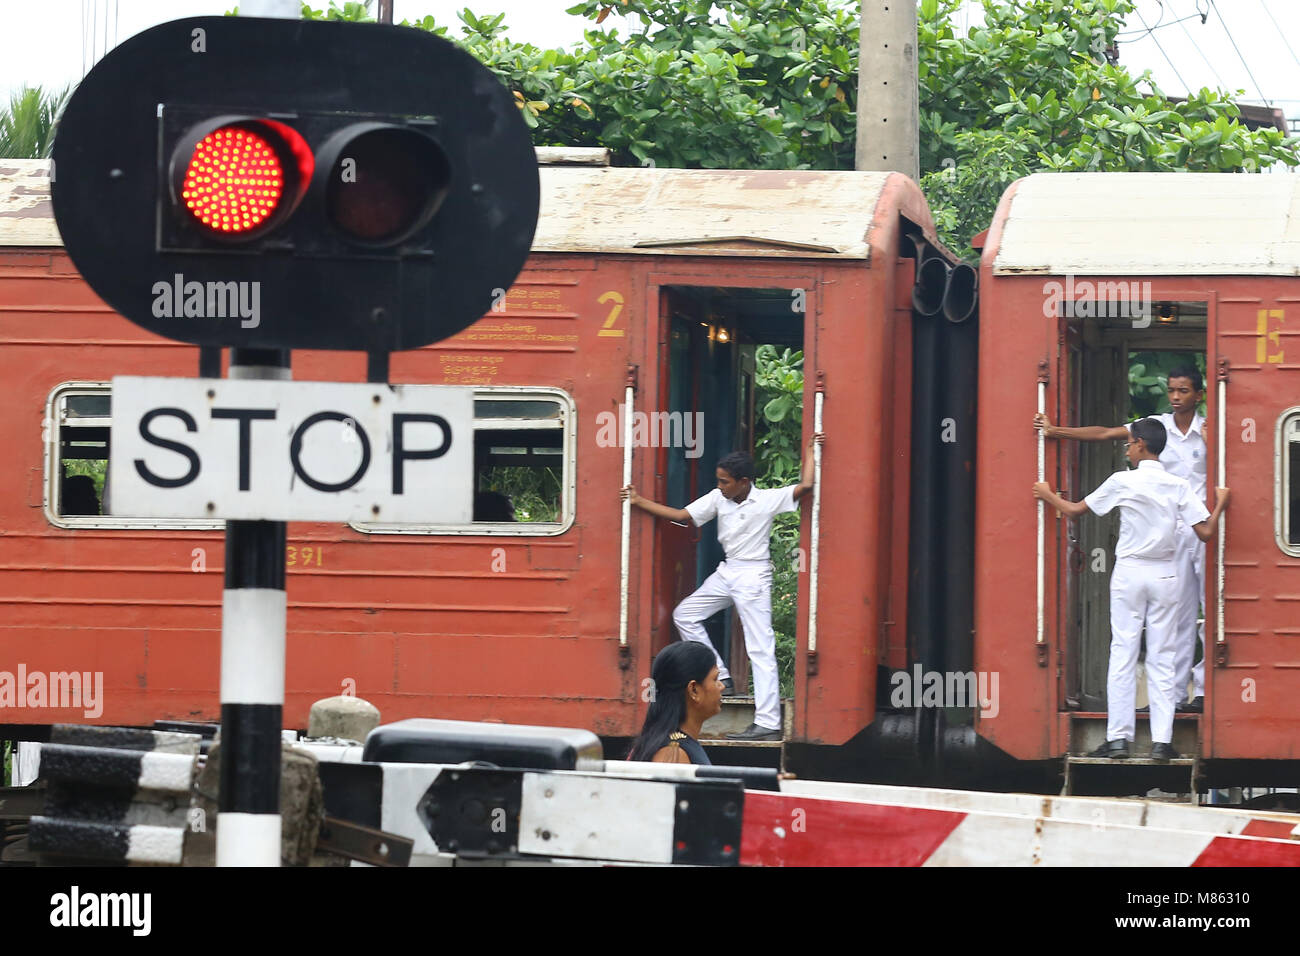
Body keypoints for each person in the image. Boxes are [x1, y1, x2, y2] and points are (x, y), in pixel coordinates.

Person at [1033, 418, 1228, 762]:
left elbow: (1076, 511)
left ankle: (1118, 738)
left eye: (1129, 443)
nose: (1126, 448)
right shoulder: (1178, 484)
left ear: (1139, 444)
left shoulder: (1122, 481)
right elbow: (1206, 533)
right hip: (1167, 575)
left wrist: (1048, 495)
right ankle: (1161, 741)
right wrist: (1222, 503)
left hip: (1130, 573)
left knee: (1122, 652)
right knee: (1163, 656)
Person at [622, 433, 822, 741]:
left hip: (753, 576)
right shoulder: (719, 499)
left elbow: (806, 487)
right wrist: (639, 502)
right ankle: (722, 676)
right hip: (728, 572)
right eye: (719, 480)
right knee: (685, 614)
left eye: (725, 481)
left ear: (744, 482)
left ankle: (768, 722)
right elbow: (681, 516)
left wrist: (810, 451)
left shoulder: (767, 500)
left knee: (760, 647)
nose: (720, 486)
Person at [1034, 365, 1208, 712]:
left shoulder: (1209, 428)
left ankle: (1202, 691)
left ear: (1199, 395)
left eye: (1184, 391)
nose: (1175, 397)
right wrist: (1056, 431)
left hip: (1199, 526)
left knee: (1208, 608)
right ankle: (1173, 698)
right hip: (1166, 533)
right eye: (1172, 390)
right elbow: (1104, 434)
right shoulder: (1156, 427)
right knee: (1178, 615)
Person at [626, 642, 725, 764]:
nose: (722, 686)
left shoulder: (674, 746)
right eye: (715, 679)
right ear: (693, 690)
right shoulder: (674, 754)